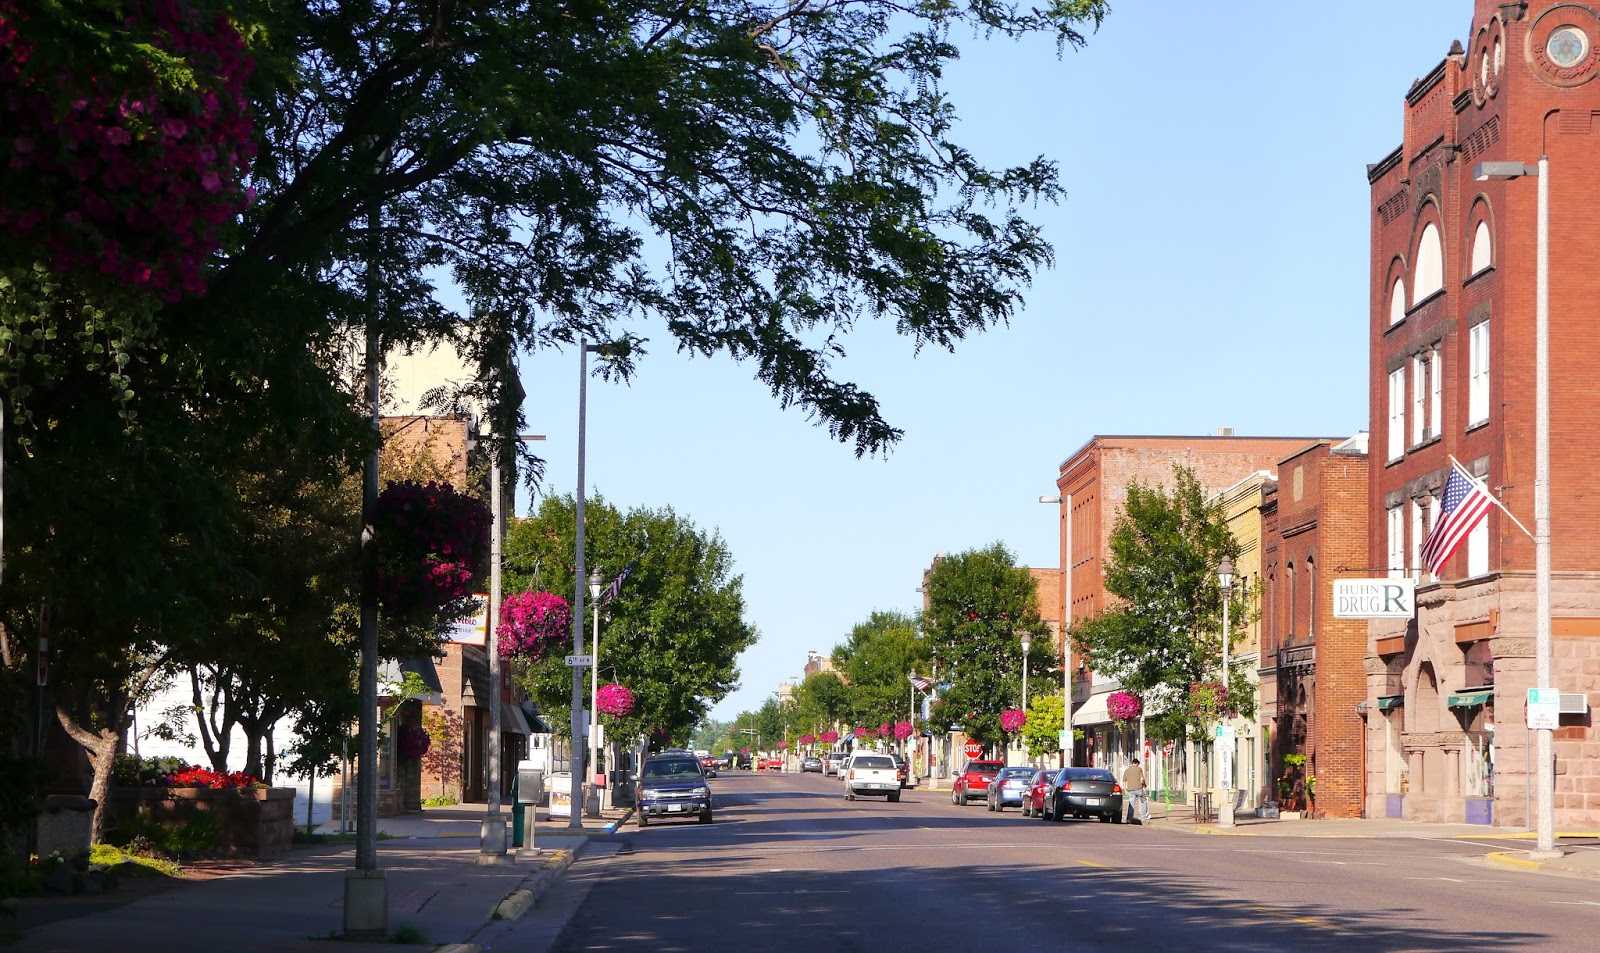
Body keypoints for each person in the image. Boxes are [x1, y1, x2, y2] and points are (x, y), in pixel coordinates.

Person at [1122, 758, 1150, 824]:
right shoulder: (1139, 769)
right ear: (1137, 763)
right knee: (1144, 801)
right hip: (1138, 788)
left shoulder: (1127, 770)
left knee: (1132, 804)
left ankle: (1129, 818)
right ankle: (1144, 816)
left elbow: (1124, 781)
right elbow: (1142, 779)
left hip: (1130, 790)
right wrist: (1144, 785)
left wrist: (1125, 789)